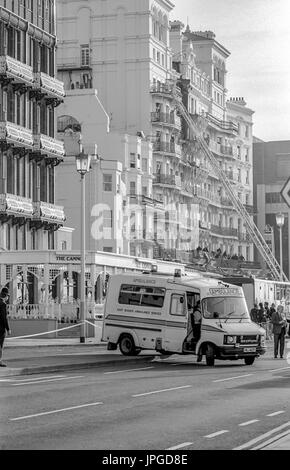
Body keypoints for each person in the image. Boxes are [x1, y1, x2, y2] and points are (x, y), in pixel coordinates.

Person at [0, 289, 11, 367]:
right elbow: (4, 318)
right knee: (0, 345)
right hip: (0, 328)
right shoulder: (3, 304)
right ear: (6, 296)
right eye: (8, 296)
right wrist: (8, 328)